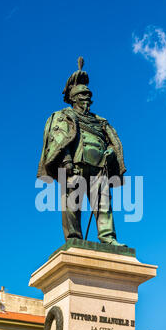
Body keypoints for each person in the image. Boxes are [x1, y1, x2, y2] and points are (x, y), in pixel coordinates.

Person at [37, 58, 127, 247]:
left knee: (104, 205)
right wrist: (66, 161)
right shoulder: (62, 116)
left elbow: (111, 142)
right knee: (72, 204)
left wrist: (111, 152)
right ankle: (74, 238)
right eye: (82, 95)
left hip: (99, 168)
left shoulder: (100, 121)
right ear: (74, 98)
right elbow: (59, 140)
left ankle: (108, 237)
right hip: (74, 166)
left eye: (88, 95)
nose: (87, 98)